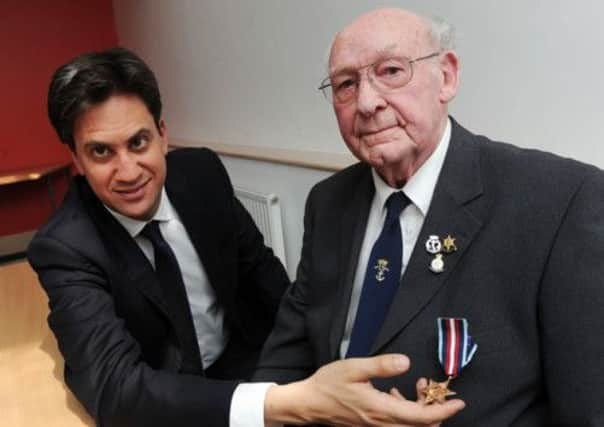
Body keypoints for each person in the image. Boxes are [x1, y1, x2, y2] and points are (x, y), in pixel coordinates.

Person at [28, 47, 464, 426]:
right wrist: (289, 402)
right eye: (101, 152)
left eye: (138, 142)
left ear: (163, 135)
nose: (127, 172)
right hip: (158, 404)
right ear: (76, 161)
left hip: (251, 368)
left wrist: (330, 378)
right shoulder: (64, 246)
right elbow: (115, 389)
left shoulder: (201, 175)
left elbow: (270, 285)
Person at [254, 7, 604, 426]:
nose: (367, 102)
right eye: (346, 84)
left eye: (391, 71)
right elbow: (286, 360)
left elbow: (586, 409)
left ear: (447, 76)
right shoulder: (328, 202)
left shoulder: (559, 201)